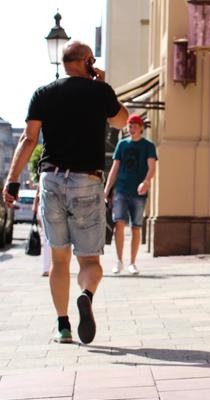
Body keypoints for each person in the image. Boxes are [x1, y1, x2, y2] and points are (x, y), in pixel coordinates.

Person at [2, 41, 128, 344]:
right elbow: (122, 120)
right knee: (90, 263)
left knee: (60, 261)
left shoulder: (43, 93)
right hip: (86, 181)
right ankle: (85, 294)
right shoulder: (100, 91)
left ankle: (63, 326)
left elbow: (29, 140)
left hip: (52, 181)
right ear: (86, 61)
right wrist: (102, 82)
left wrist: (12, 180)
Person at [104, 114, 157, 275]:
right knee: (118, 223)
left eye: (134, 125)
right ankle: (119, 261)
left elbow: (152, 167)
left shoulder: (148, 146)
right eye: (129, 125)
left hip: (138, 191)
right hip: (121, 189)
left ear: (141, 128)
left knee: (136, 227)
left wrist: (146, 181)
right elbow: (114, 168)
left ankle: (132, 263)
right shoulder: (121, 145)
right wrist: (107, 189)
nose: (131, 127)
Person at [33, 184, 51, 277]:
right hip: (44, 206)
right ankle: (46, 268)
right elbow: (39, 187)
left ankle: (48, 268)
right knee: (46, 238)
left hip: (50, 205)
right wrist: (35, 204)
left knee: (47, 239)